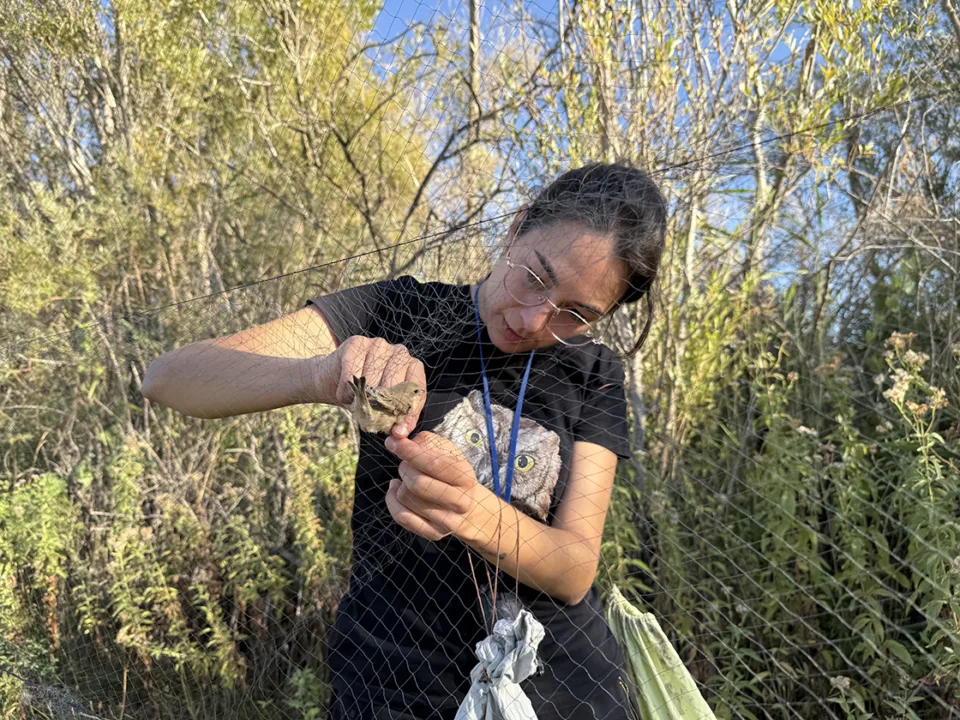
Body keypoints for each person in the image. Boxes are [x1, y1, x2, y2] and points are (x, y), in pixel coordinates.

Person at [142, 162, 667, 719]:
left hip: (564, 691)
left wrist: (469, 511)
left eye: (576, 313)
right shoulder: (398, 312)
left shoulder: (593, 373)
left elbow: (574, 568)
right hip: (395, 689)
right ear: (516, 228)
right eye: (536, 277)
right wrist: (318, 374)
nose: (536, 320)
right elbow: (169, 378)